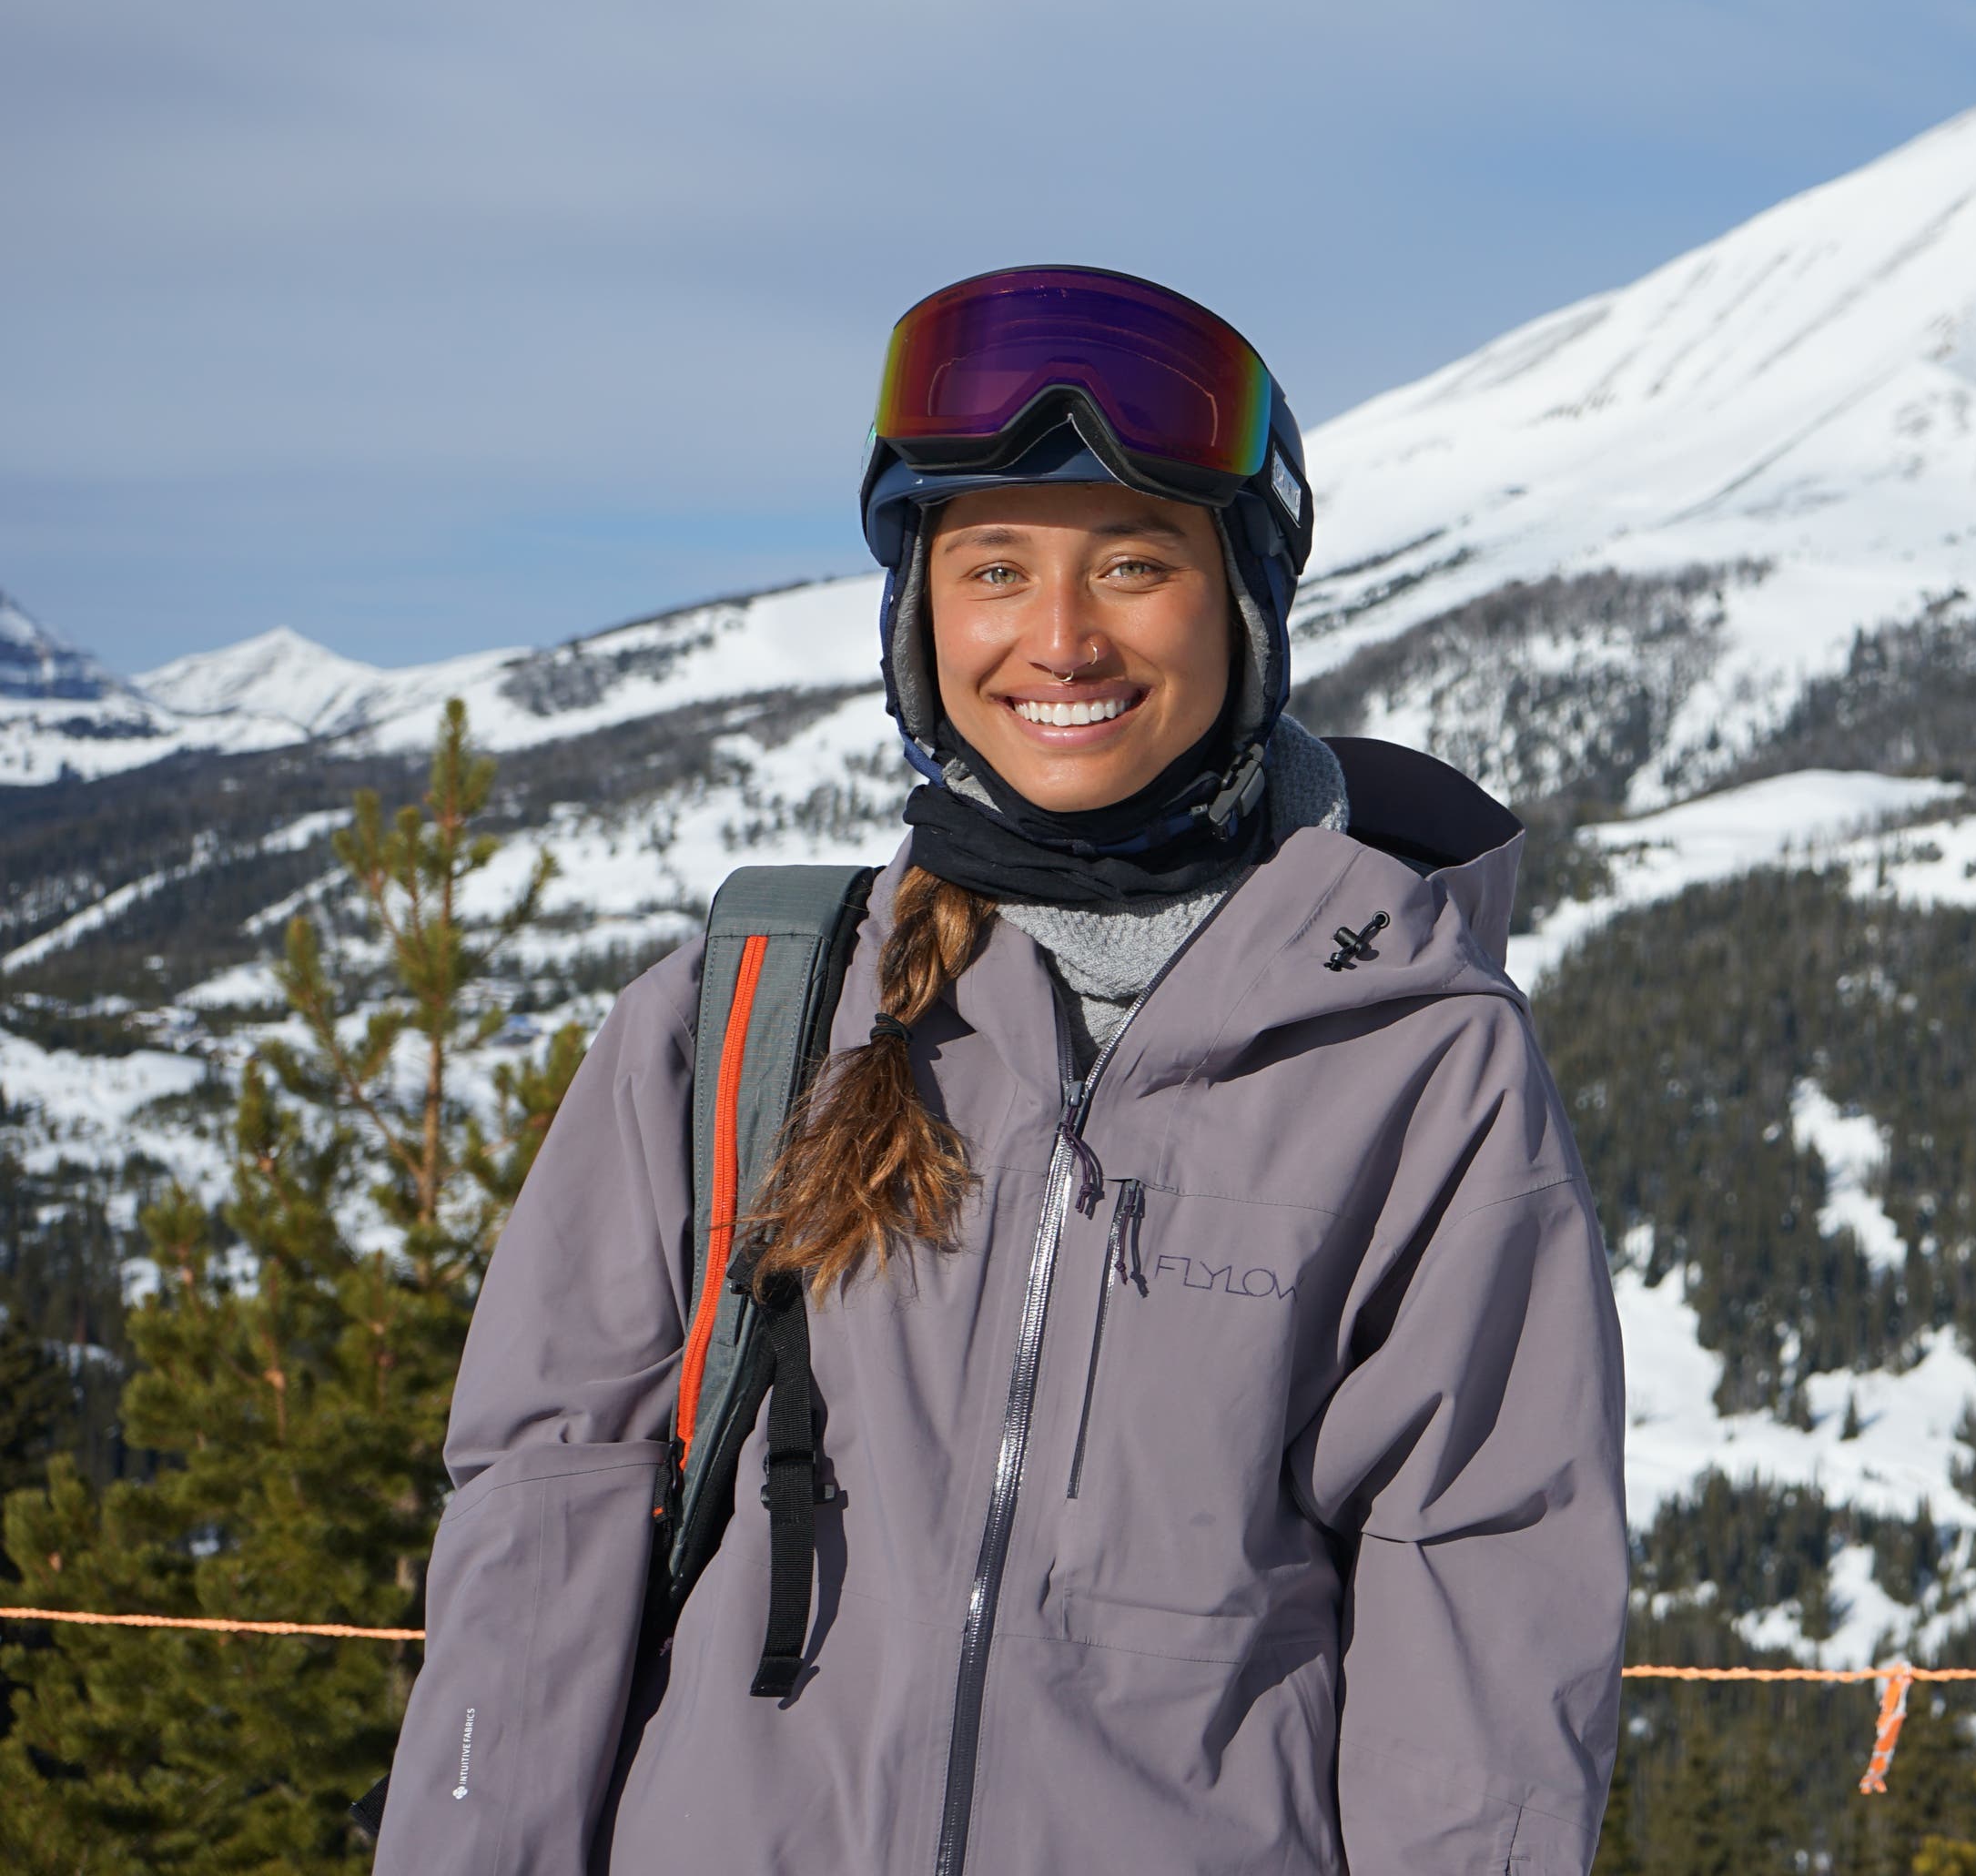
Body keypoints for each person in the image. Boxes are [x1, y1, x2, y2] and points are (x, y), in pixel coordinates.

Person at [375, 266, 1629, 1875]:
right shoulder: (741, 1019)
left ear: (1238, 611)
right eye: (991, 567)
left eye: (1132, 561)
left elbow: (1483, 1600)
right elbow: (543, 1528)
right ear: (921, 618)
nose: (1058, 636)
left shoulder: (1415, 1062)